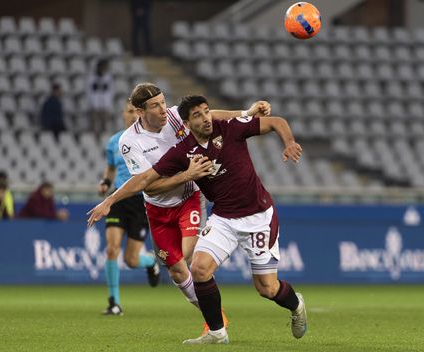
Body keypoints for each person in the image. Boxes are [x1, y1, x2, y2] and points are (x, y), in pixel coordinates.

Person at [87, 95, 306, 345]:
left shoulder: (231, 128)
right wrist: (109, 201)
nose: (206, 118)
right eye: (198, 115)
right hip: (224, 218)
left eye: (206, 112)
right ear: (186, 124)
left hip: (258, 216)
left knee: (267, 288)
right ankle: (216, 331)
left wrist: (288, 142)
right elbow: (145, 180)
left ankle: (296, 304)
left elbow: (276, 121)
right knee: (199, 269)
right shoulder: (182, 152)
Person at [104, 82, 270, 331]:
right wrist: (186, 174)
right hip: (157, 208)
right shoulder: (129, 142)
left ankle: (212, 321)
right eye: (155, 106)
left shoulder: (173, 117)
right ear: (140, 111)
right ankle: (215, 316)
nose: (163, 109)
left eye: (162, 102)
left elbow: (213, 117)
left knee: (190, 257)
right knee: (177, 272)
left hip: (189, 198)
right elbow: (149, 186)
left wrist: (245, 113)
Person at [98, 100, 160, 316]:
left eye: (136, 111)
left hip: (141, 201)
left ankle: (150, 260)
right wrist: (106, 182)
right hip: (118, 199)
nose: (133, 115)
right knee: (111, 249)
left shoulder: (151, 138)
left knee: (131, 260)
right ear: (124, 114)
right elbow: (111, 167)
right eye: (129, 111)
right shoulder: (115, 141)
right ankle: (113, 302)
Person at [86, 59, 114, 134]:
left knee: (104, 123)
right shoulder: (92, 77)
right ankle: (93, 137)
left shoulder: (108, 77)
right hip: (94, 104)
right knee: (93, 123)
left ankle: (103, 136)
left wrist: (108, 105)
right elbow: (89, 91)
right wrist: (91, 103)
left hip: (104, 104)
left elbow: (110, 92)